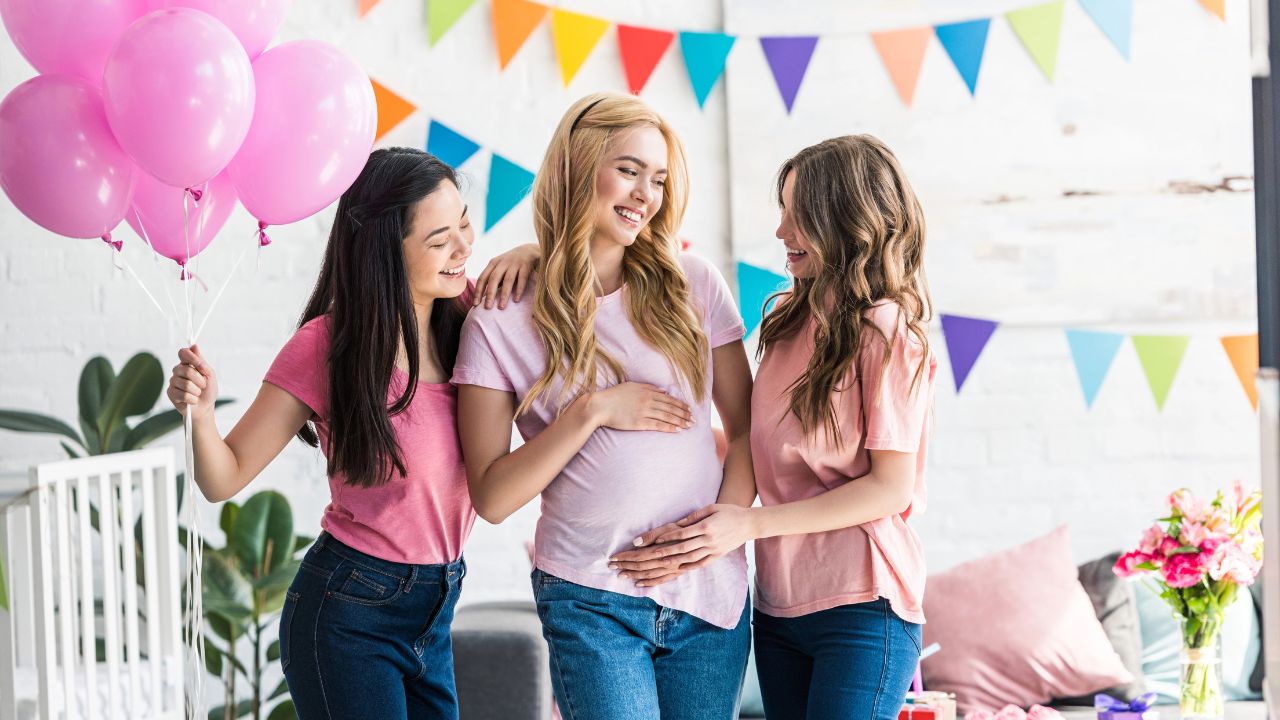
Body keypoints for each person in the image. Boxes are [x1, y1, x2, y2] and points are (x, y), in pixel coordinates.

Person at [165, 147, 537, 720]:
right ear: (387, 251)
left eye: (465, 222)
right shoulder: (326, 346)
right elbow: (224, 477)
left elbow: (569, 276)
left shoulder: (471, 315)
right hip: (349, 611)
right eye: (440, 240)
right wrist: (202, 412)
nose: (464, 247)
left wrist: (533, 251)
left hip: (437, 603)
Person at [452, 92, 755, 720]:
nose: (646, 193)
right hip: (592, 596)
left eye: (660, 178)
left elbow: (750, 430)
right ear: (574, 164)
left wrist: (722, 527)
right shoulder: (501, 313)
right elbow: (492, 496)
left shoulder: (695, 285)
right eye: (629, 169)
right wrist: (590, 411)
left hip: (708, 595)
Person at [612, 135, 937, 720]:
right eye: (782, 210)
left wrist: (747, 524)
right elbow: (751, 448)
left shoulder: (884, 329)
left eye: (799, 214)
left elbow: (891, 488)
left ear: (848, 218)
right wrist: (699, 542)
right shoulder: (787, 323)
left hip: (864, 606)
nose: (783, 231)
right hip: (779, 609)